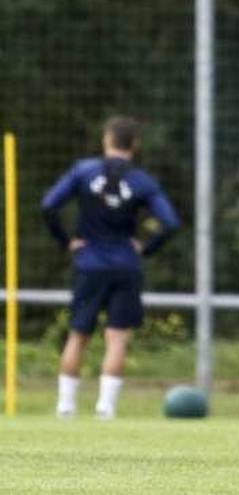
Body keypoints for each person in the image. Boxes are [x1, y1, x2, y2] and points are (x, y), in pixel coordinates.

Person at [41, 116, 180, 420]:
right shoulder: (142, 181)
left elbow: (49, 205)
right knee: (117, 337)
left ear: (107, 140)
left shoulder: (83, 171)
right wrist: (146, 247)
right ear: (135, 144)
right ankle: (106, 409)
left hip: (88, 263)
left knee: (78, 333)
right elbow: (170, 223)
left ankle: (65, 407)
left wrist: (67, 241)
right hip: (125, 265)